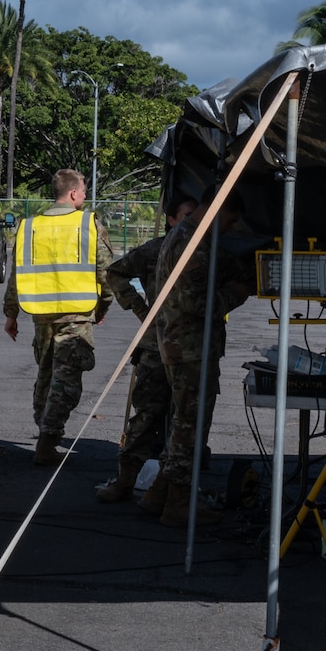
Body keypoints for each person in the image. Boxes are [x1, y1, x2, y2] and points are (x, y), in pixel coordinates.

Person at [146, 187, 258, 527]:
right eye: (229, 220)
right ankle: (178, 500)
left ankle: (161, 492)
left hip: (183, 344)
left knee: (183, 420)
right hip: (189, 345)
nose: (229, 228)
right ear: (217, 209)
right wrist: (234, 294)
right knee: (190, 425)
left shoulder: (187, 236)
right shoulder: (191, 243)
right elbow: (197, 303)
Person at [3, 169, 113, 465]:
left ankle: (44, 431)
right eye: (84, 190)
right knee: (66, 378)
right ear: (74, 193)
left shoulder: (29, 227)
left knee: (47, 373)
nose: (86, 196)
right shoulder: (87, 224)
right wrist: (103, 306)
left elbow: (16, 276)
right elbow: (105, 273)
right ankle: (48, 439)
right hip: (76, 312)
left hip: (40, 313)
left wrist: (11, 314)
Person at [96, 195, 198, 503]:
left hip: (192, 347)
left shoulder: (206, 252)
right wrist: (142, 310)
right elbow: (115, 273)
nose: (191, 222)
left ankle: (167, 489)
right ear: (171, 220)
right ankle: (126, 479)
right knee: (146, 416)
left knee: (185, 420)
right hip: (157, 345)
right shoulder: (157, 249)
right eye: (186, 215)